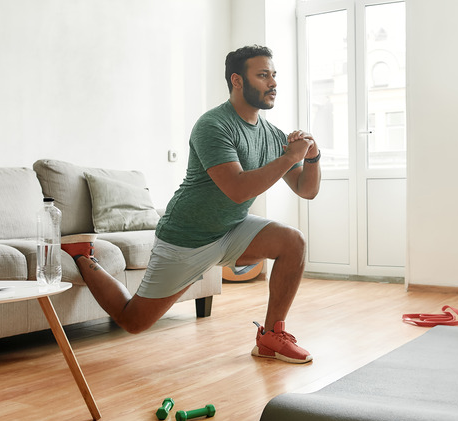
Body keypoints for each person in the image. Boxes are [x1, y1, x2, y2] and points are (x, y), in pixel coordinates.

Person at [63, 45, 321, 364]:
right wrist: (289, 157)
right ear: (237, 81)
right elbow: (237, 190)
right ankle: (84, 257)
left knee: (293, 242)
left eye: (274, 75)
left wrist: (312, 158)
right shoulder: (213, 125)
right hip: (186, 238)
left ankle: (271, 337)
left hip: (231, 229)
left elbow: (306, 190)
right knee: (133, 321)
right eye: (263, 75)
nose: (273, 83)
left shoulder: (272, 135)